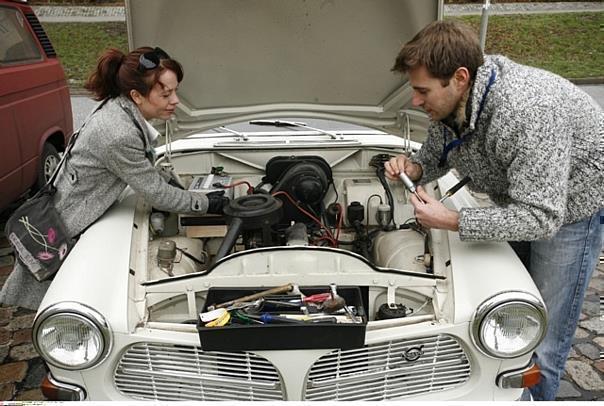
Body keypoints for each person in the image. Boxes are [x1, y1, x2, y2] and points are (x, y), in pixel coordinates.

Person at [384, 20, 603, 400]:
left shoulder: (528, 111)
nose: (415, 101)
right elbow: (438, 154)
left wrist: (451, 219)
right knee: (504, 305)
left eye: (422, 91)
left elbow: (541, 217)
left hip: (571, 208)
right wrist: (414, 168)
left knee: (538, 337)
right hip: (519, 196)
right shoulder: (453, 103)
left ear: (460, 78)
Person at [0, 46, 228, 310]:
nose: (175, 100)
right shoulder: (118, 133)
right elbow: (156, 193)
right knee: (66, 311)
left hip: (72, 214)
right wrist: (207, 203)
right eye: (166, 93)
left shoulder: (121, 109)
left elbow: (145, 170)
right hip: (66, 229)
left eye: (175, 91)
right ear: (136, 96)